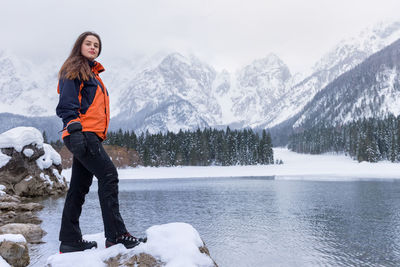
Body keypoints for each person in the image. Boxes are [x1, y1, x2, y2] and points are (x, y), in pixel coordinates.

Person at [56, 31, 144, 253]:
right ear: (80, 46)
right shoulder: (74, 69)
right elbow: (67, 103)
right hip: (82, 133)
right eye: (88, 43)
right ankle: (116, 235)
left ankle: (70, 240)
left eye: (96, 45)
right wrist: (75, 130)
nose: (93, 47)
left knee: (78, 186)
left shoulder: (93, 74)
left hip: (87, 134)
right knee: (108, 175)